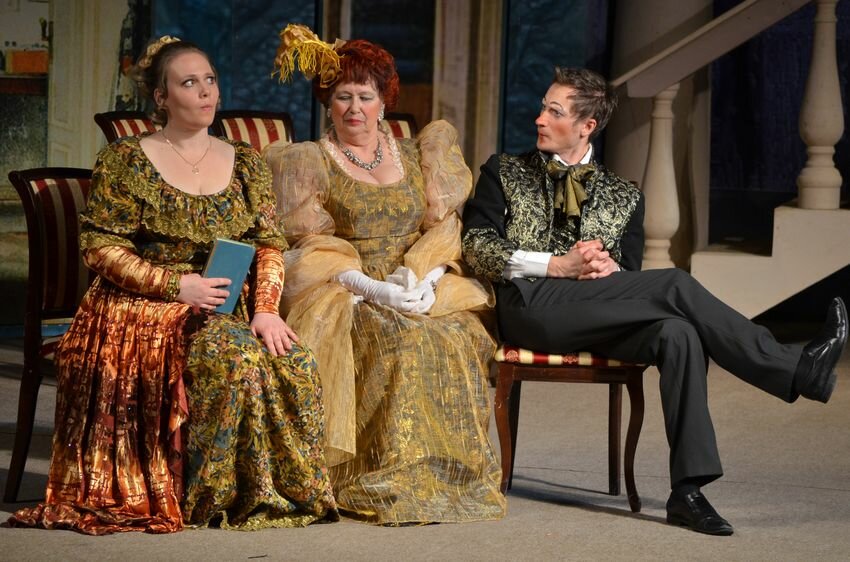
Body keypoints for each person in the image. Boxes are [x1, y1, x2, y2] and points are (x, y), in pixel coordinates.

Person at [461, 66, 847, 536]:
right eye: (544, 107)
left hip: (597, 315)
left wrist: (611, 271)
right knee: (675, 286)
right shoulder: (503, 170)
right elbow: (476, 246)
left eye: (554, 112)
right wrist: (556, 265)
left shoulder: (625, 196)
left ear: (586, 126)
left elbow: (632, 277)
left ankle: (687, 492)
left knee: (678, 333)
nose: (540, 118)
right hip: (530, 307)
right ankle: (795, 369)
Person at [8, 36, 337, 534]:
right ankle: (209, 497)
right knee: (236, 359)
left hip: (226, 305)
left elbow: (268, 244)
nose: (205, 92)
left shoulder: (246, 162)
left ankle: (276, 491)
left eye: (210, 80)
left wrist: (266, 309)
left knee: (295, 359)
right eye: (188, 82)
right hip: (143, 305)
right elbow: (100, 247)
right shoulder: (126, 160)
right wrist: (175, 286)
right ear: (161, 97)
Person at [263, 24, 506, 524]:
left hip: (414, 279)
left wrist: (428, 278)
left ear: (383, 101)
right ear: (328, 103)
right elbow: (308, 247)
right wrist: (372, 289)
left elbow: (443, 229)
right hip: (345, 289)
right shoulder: (311, 161)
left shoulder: (417, 154)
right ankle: (388, 474)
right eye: (343, 97)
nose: (354, 108)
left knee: (457, 335)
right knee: (403, 340)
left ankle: (447, 472)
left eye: (365, 96)